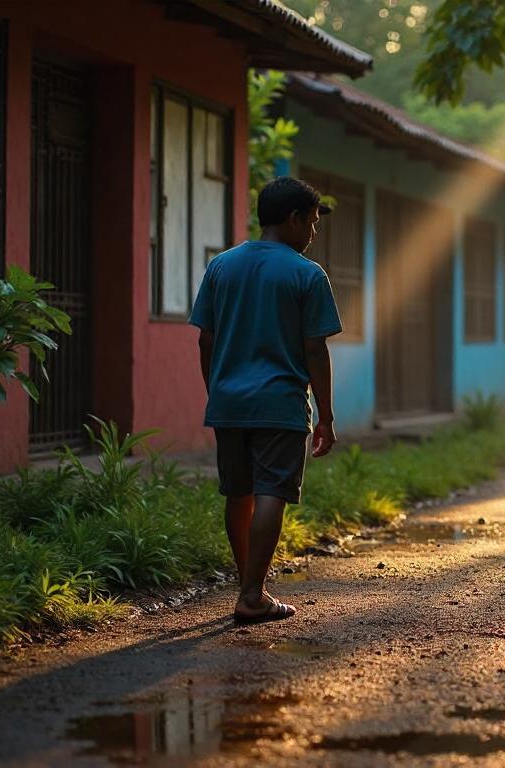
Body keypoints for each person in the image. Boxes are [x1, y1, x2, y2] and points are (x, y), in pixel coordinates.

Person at [189, 177, 342, 624]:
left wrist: (217, 391)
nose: (313, 233)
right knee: (272, 490)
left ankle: (248, 585)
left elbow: (206, 340)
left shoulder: (222, 266)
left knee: (238, 493)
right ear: (293, 219)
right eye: (312, 223)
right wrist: (327, 416)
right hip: (280, 403)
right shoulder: (307, 274)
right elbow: (315, 349)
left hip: (229, 402)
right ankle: (252, 593)